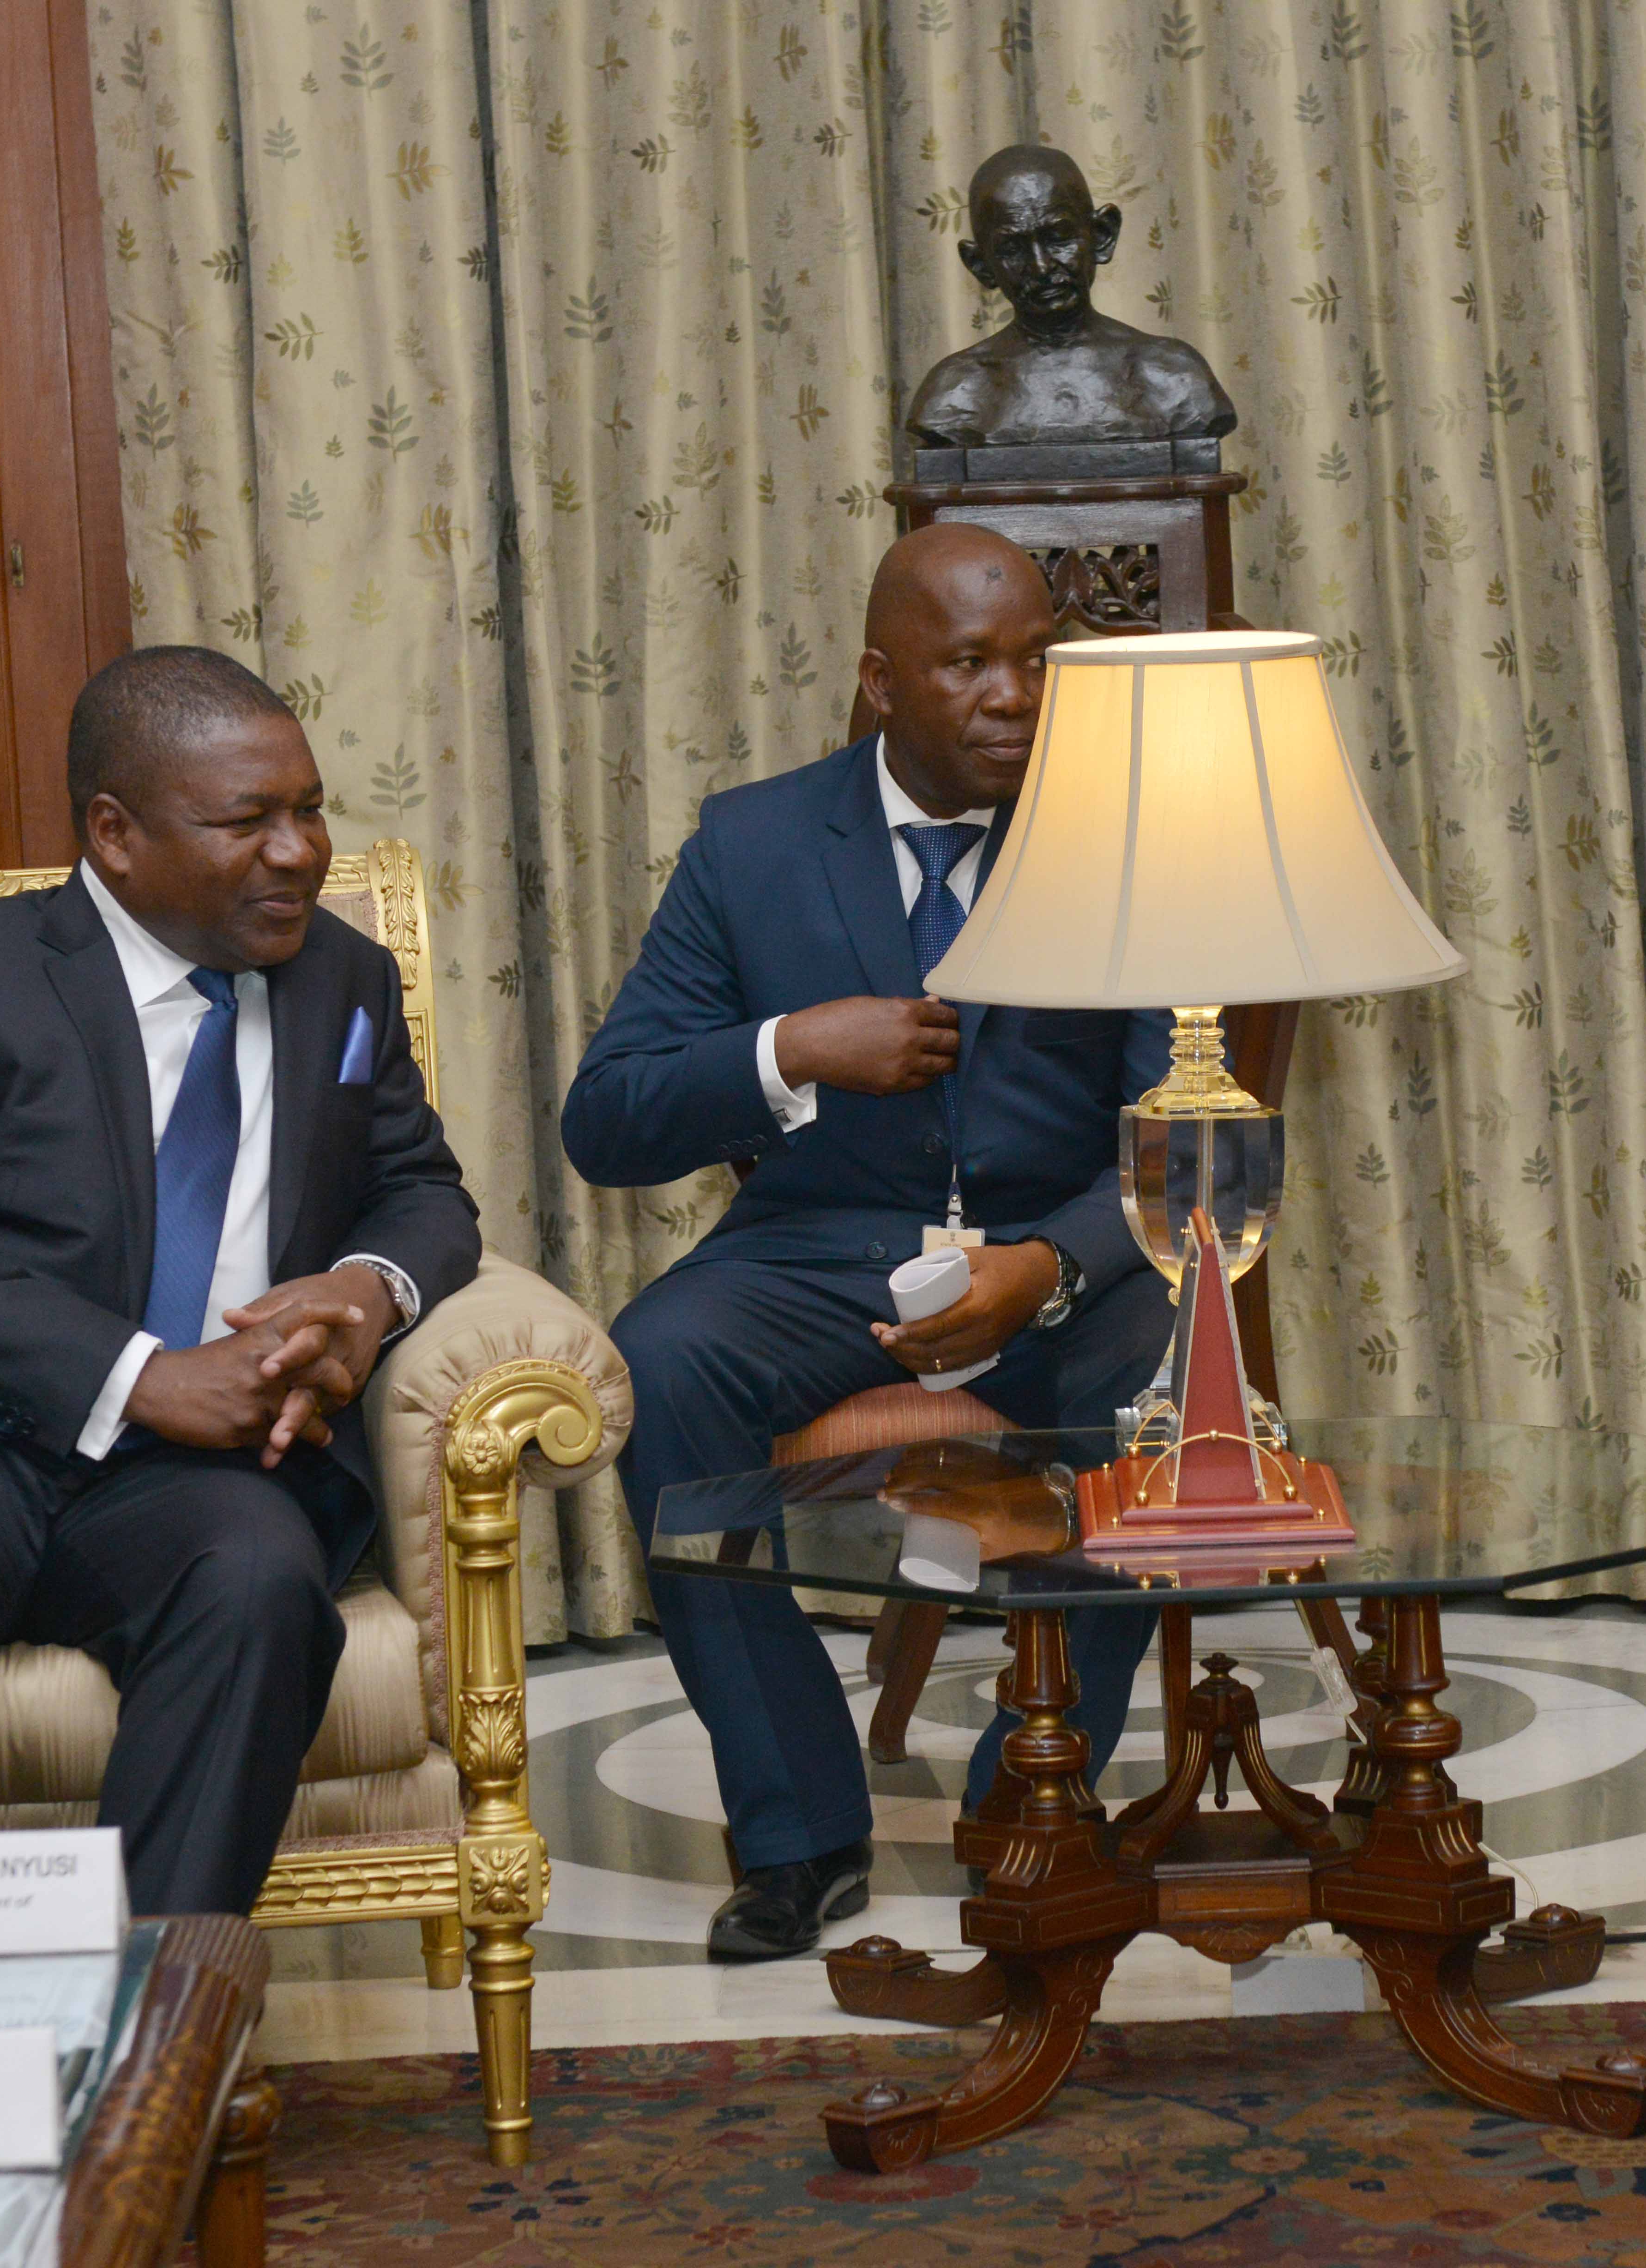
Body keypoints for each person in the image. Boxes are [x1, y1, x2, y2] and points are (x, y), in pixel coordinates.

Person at [0, 647, 480, 1917]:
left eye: (308, 809)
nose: (299, 851)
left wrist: (367, 1290)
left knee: (259, 1585)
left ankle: (144, 2025)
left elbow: (420, 1187)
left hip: (201, 1476)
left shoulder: (343, 980)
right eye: (247, 820)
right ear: (115, 833)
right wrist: (140, 1377)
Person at [564, 525, 1176, 1961]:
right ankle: (795, 1826)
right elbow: (608, 1119)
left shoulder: (1124, 837)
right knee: (661, 1364)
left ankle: (1024, 1794)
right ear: (881, 680)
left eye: (1034, 661)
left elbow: (1177, 1127)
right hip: (817, 1244)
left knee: (1162, 1387)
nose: (1012, 695)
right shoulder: (754, 842)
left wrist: (1054, 1262)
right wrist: (786, 1047)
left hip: (1058, 1252)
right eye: (968, 663)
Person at [903, 143, 1238, 449]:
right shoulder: (955, 394)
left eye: (1058, 237)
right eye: (1013, 248)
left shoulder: (1175, 379)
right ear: (981, 266)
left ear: (1102, 236)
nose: (1041, 267)